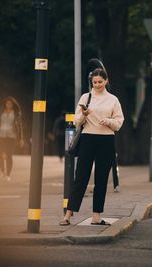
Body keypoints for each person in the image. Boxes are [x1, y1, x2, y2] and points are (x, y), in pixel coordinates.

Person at [60, 68, 124, 226]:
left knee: (101, 180)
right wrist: (84, 115)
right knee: (80, 177)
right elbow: (77, 121)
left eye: (100, 82)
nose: (97, 85)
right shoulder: (85, 97)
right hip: (88, 139)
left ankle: (96, 216)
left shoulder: (113, 100)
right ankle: (68, 214)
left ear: (106, 81)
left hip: (106, 141)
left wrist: (108, 121)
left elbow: (119, 123)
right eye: (94, 82)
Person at [0, 96, 24, 181]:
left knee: (9, 154)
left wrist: (21, 138)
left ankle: (8, 174)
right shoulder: (1, 112)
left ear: (13, 105)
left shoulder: (16, 113)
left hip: (11, 136)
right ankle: (3, 171)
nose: (8, 105)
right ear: (5, 104)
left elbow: (20, 126)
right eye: (7, 103)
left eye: (10, 103)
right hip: (0, 135)